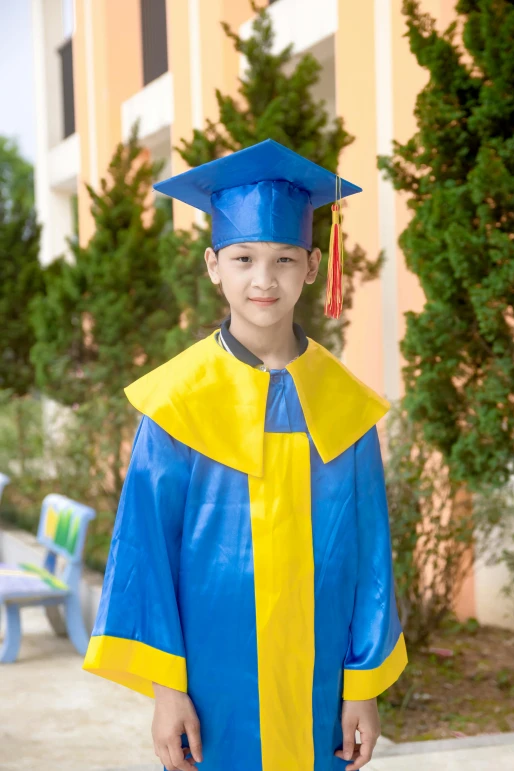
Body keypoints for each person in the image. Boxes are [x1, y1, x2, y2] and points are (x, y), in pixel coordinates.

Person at [82, 139, 408, 771]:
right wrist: (166, 691)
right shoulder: (177, 402)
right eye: (243, 258)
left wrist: (363, 687)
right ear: (213, 266)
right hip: (214, 680)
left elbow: (372, 556)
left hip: (321, 684)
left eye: (284, 259)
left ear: (314, 266)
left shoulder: (343, 405)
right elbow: (145, 552)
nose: (264, 279)